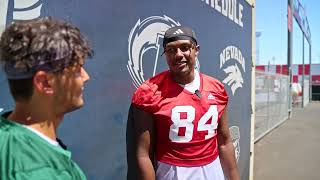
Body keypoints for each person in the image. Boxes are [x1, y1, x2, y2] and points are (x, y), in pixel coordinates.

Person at [131, 26, 239, 180]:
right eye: (171, 50)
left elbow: (224, 141)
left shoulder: (216, 88)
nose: (178, 55)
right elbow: (144, 154)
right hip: (173, 171)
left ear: (196, 50)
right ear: (165, 54)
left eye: (185, 47)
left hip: (212, 169)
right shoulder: (150, 92)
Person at [0, 17, 93, 179]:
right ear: (44, 82)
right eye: (77, 69)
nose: (86, 77)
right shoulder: (40, 171)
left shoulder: (8, 137)